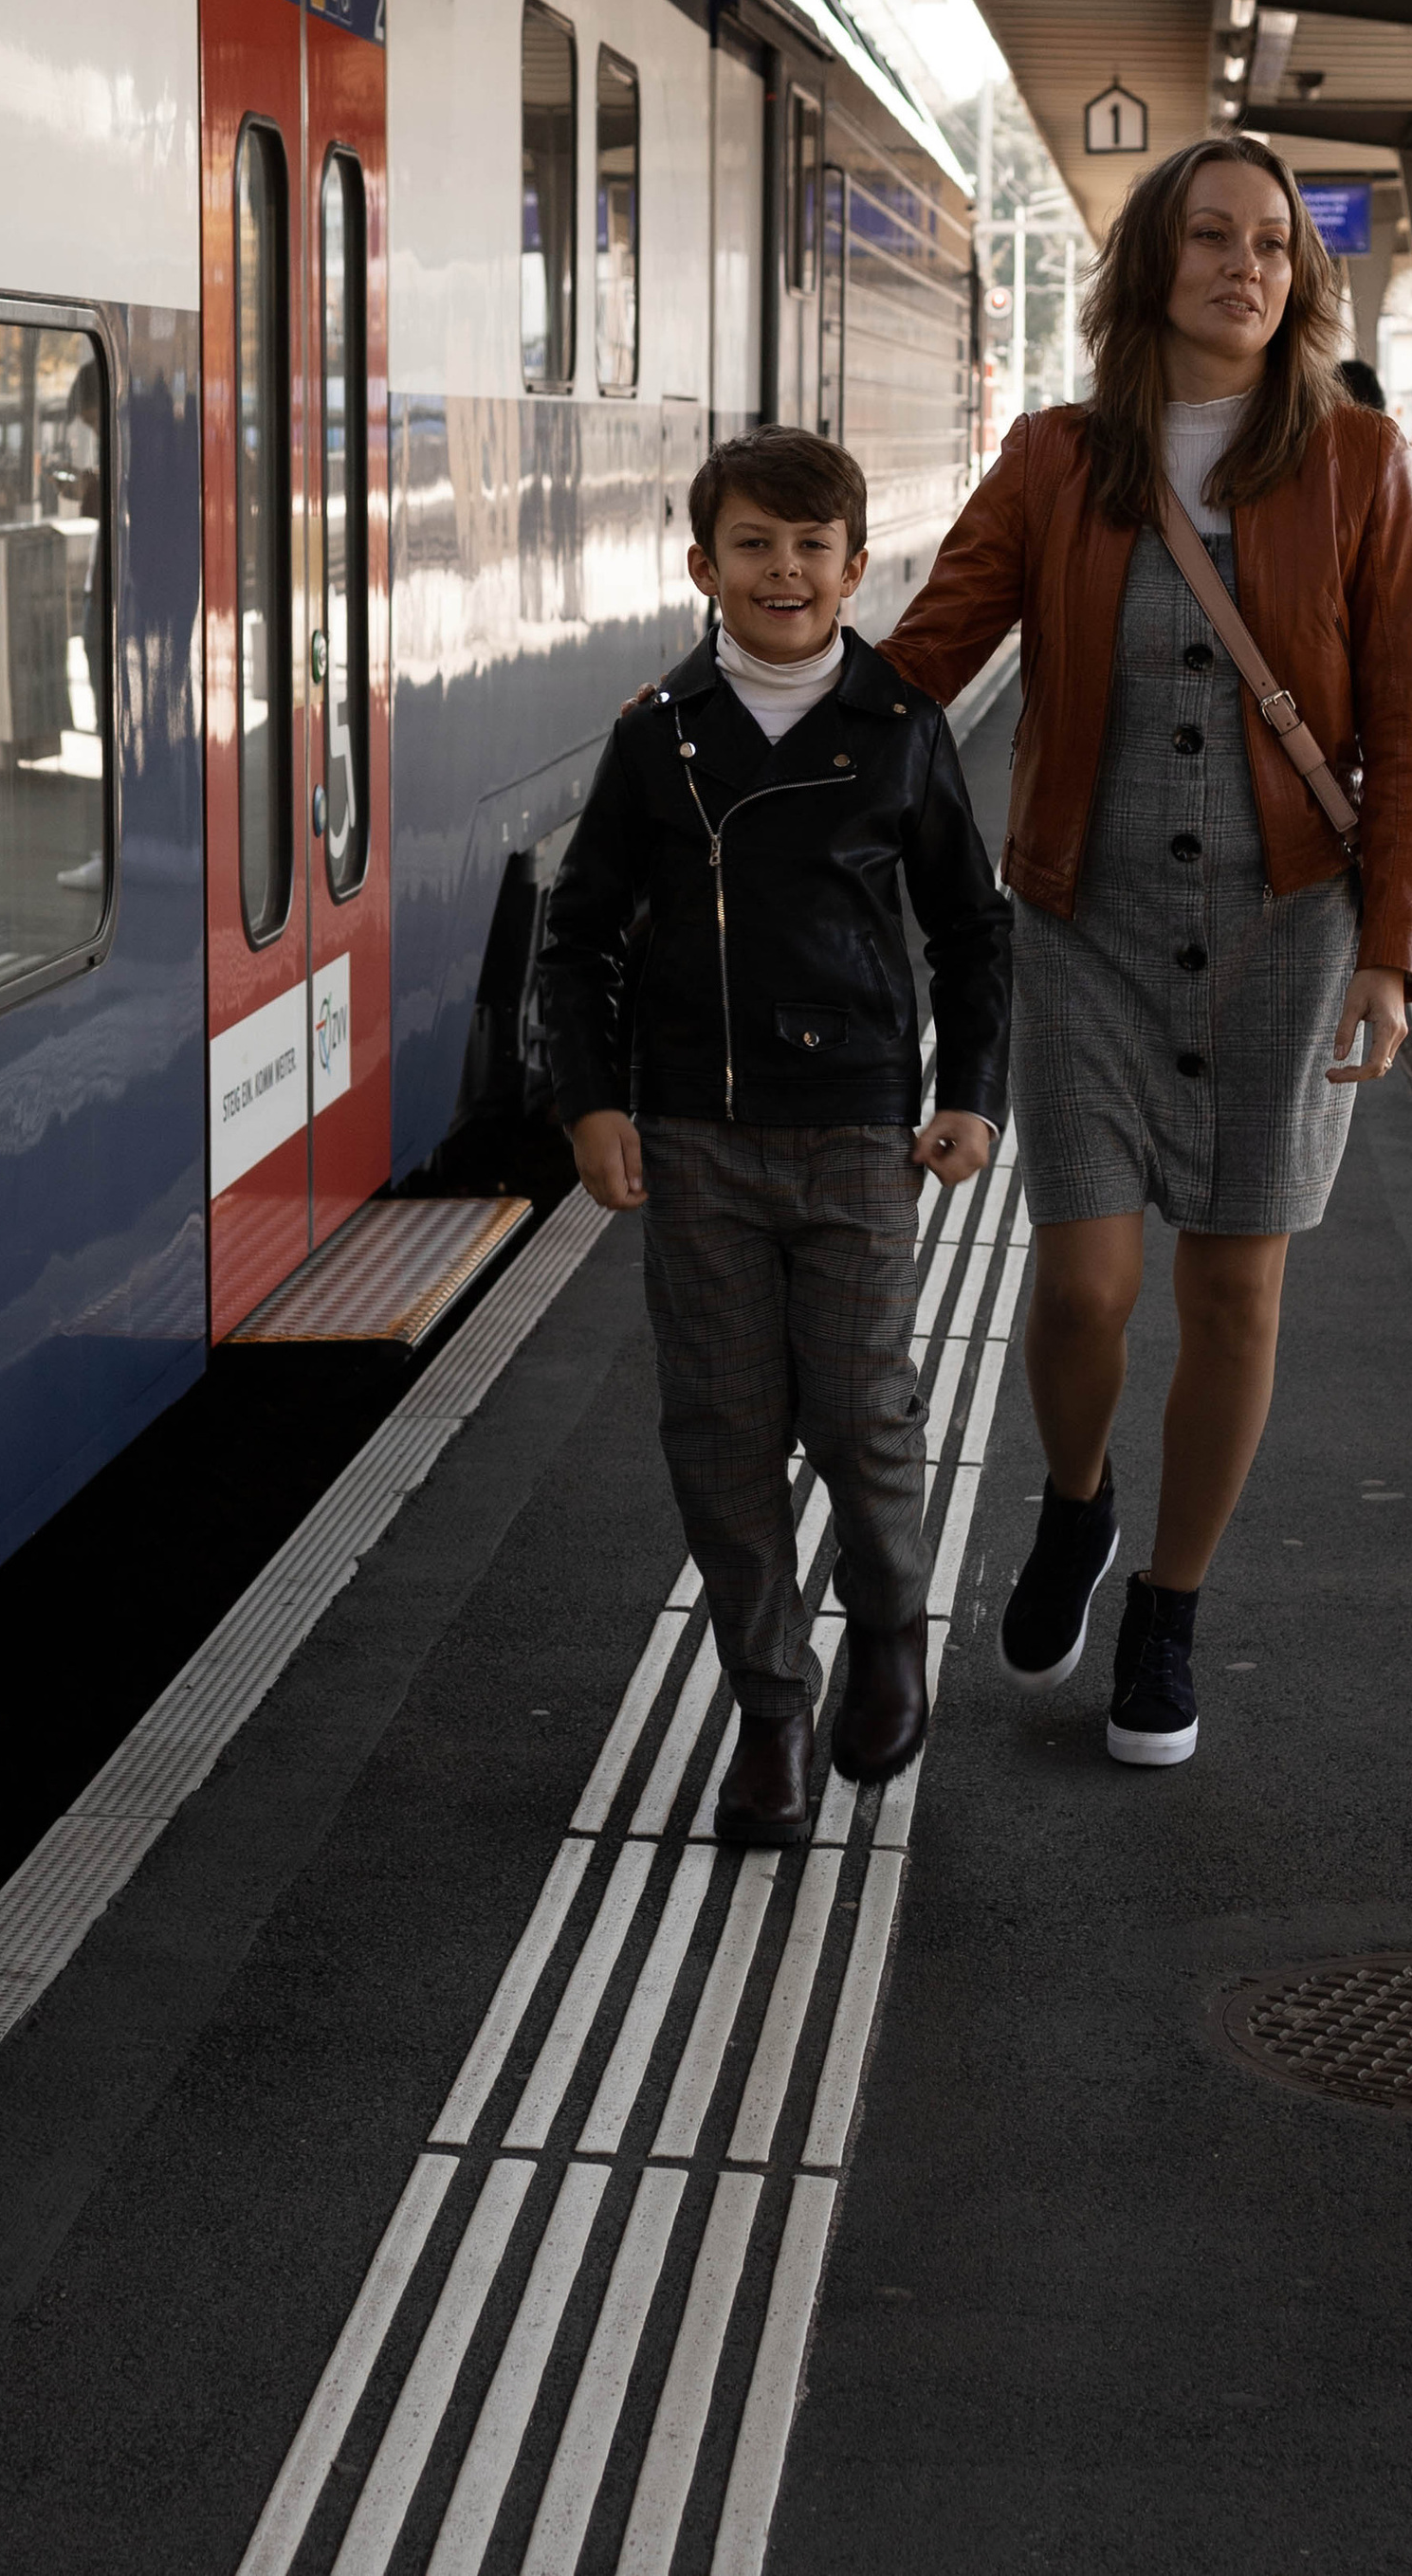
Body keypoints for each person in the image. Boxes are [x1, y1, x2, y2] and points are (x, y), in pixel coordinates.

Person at [880, 140, 1412, 1772]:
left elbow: (1407, 725)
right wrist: (745, 712)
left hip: (1288, 923)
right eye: (1211, 237)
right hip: (1086, 920)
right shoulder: (1058, 458)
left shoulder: (1358, 459)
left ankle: (1169, 1611)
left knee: (1235, 1290)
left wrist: (1396, 951)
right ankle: (1076, 1502)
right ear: (1153, 264)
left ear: (1300, 281)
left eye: (1273, 246)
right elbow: (933, 653)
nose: (1246, 267)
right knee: (1083, 1283)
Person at [538, 429, 1012, 1850]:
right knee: (724, 1433)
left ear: (858, 568)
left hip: (862, 1130)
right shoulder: (655, 738)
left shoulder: (903, 728)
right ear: (704, 568)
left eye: (813, 548)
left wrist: (971, 1091)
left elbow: (972, 933)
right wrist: (594, 1101)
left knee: (863, 1416)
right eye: (754, 546)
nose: (785, 571)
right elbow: (577, 943)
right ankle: (770, 1714)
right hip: (697, 1133)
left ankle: (886, 1626)